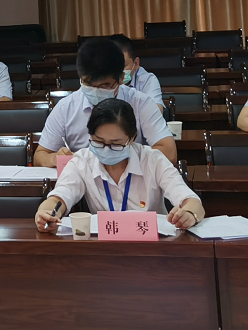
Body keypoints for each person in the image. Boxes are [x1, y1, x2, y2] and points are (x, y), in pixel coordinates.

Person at [35, 98, 204, 231]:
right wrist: (46, 213)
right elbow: (59, 198)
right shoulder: (82, 161)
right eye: (98, 142)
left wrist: (189, 214)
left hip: (152, 245)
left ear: (132, 138)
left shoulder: (153, 160)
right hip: (105, 247)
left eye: (115, 144)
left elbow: (192, 202)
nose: (106, 149)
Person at [34, 37, 176, 166]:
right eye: (88, 85)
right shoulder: (66, 107)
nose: (95, 91)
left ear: (121, 78)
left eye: (104, 86)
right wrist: (54, 158)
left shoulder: (141, 103)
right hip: (81, 181)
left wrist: (123, 159)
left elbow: (169, 152)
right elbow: (40, 156)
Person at [111, 34, 162, 102]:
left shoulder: (147, 80)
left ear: (136, 63)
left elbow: (156, 107)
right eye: (112, 66)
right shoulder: (101, 81)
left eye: (123, 66)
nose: (118, 71)